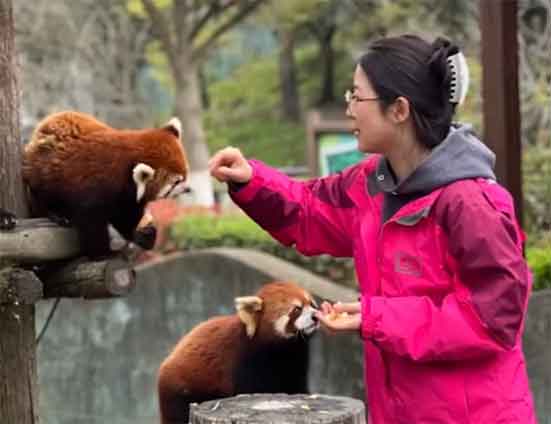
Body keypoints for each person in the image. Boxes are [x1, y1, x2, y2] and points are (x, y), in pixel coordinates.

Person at [208, 34, 536, 424]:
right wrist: (250, 181)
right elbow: (310, 211)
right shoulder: (373, 184)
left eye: (357, 96)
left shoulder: (469, 202)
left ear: (398, 109)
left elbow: (491, 321)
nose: (349, 108)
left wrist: (375, 318)